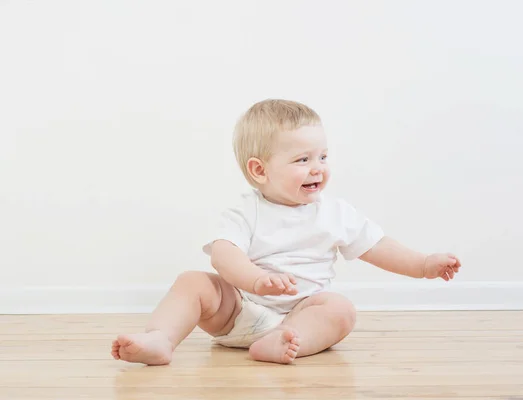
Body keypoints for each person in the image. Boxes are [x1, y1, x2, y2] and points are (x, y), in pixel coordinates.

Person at [111, 99, 461, 365]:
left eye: (323, 156)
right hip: (240, 310)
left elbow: (378, 245)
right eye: (302, 160)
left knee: (339, 309)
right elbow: (223, 254)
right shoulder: (247, 211)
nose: (318, 169)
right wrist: (255, 280)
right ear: (260, 170)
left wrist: (423, 264)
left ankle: (282, 341)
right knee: (193, 281)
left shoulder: (335, 213)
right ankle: (160, 339)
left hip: (300, 314)